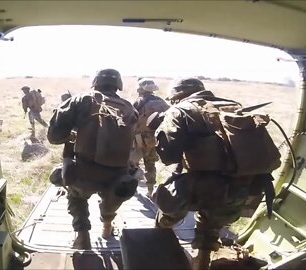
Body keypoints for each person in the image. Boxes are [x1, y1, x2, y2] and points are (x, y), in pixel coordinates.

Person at [152, 78, 279, 269]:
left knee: (166, 197)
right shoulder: (234, 106)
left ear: (177, 95)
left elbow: (169, 155)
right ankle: (202, 260)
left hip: (203, 188)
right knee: (211, 218)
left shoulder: (181, 110)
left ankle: (160, 233)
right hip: (246, 188)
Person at [47, 69, 139, 250]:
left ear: (95, 83)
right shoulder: (130, 108)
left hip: (84, 172)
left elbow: (54, 136)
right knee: (113, 197)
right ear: (118, 86)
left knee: (75, 193)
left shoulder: (82, 99)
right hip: (119, 175)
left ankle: (82, 236)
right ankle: (107, 224)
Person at [130, 78, 170, 199]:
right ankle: (150, 190)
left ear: (141, 89)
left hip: (139, 139)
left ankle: (133, 188)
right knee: (150, 164)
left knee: (133, 164)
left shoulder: (137, 103)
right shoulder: (162, 103)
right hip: (155, 139)